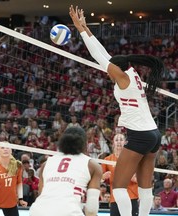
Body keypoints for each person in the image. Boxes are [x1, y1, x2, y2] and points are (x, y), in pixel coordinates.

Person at [69, 5, 163, 216]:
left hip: (140, 135)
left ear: (117, 70)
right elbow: (104, 54)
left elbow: (97, 55)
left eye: (111, 70)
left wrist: (80, 29)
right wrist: (85, 27)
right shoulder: (130, 72)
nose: (108, 73)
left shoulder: (122, 78)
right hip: (154, 134)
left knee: (118, 186)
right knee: (145, 187)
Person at [29, 127, 103, 216]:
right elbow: (91, 210)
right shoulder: (92, 165)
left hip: (37, 211)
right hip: (69, 212)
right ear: (85, 143)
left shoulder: (46, 164)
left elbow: (42, 193)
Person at [101, 133, 139, 216]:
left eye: (121, 140)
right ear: (113, 143)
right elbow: (100, 179)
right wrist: (103, 177)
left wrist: (135, 179)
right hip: (115, 199)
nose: (119, 142)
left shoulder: (133, 158)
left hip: (131, 196)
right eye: (116, 140)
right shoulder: (107, 160)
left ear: (125, 142)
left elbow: (141, 179)